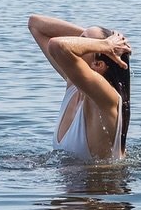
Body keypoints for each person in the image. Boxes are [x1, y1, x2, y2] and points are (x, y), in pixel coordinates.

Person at [26, 15, 131, 161]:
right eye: (81, 40)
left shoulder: (107, 99)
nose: (78, 42)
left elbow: (57, 46)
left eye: (84, 41)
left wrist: (104, 45)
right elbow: (35, 24)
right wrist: (106, 43)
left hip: (103, 183)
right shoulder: (74, 85)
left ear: (98, 65)